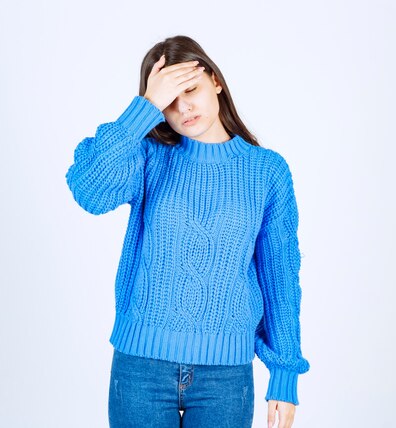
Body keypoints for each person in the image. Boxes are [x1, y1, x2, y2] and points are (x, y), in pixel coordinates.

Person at [65, 35, 310, 428]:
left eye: (190, 89)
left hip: (225, 377)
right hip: (140, 368)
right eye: (169, 101)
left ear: (215, 81)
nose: (184, 107)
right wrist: (143, 109)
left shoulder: (266, 171)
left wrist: (284, 374)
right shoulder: (147, 156)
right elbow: (89, 190)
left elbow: (280, 274)